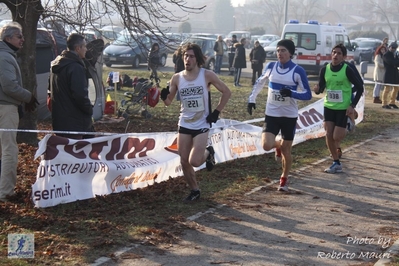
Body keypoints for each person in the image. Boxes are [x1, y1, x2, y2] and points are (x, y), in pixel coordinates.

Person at [160, 43, 231, 201]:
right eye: (185, 56)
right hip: (184, 123)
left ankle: (208, 153)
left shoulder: (207, 75)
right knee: (184, 160)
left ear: (197, 59)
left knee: (194, 161)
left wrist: (216, 112)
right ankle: (195, 190)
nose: (188, 59)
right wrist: (164, 95)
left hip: (202, 124)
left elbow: (227, 92)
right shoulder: (177, 78)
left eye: (191, 56)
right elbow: (168, 101)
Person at [247, 39, 312, 192]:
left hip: (289, 116)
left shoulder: (297, 71)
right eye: (278, 50)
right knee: (266, 145)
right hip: (272, 114)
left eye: (283, 50)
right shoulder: (271, 66)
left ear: (290, 53)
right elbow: (259, 82)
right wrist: (251, 99)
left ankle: (284, 179)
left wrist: (291, 93)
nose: (280, 53)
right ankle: (277, 146)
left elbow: (307, 94)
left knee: (287, 151)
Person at [0, 22, 38, 202]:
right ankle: (6, 192)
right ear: (8, 39)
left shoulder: (6, 55)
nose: (23, 40)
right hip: (6, 108)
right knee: (9, 150)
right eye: (19, 36)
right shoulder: (5, 57)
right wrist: (28, 96)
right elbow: (8, 86)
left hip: (6, 106)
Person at [314, 43, 364, 174]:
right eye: (334, 52)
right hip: (329, 106)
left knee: (337, 137)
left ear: (344, 56)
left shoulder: (347, 69)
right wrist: (318, 89)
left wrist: (352, 106)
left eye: (339, 53)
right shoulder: (325, 69)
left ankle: (349, 122)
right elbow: (321, 87)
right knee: (328, 134)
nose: (335, 55)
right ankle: (336, 162)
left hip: (343, 108)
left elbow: (360, 87)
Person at [50, 33, 93, 140]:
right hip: (75, 122)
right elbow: (80, 95)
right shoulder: (75, 67)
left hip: (60, 120)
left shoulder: (57, 64)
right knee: (78, 153)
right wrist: (89, 109)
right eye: (85, 46)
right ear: (78, 48)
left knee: (64, 152)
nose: (86, 49)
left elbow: (49, 91)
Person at [381, 42, 399, 109]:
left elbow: (396, 63)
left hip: (395, 73)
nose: (393, 49)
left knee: (396, 88)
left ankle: (392, 102)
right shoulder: (386, 55)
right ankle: (384, 103)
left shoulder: (394, 55)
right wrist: (396, 62)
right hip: (388, 73)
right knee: (387, 89)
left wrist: (396, 62)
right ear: (390, 47)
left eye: (395, 48)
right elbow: (391, 62)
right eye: (392, 47)